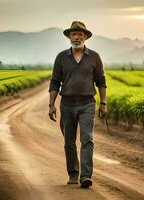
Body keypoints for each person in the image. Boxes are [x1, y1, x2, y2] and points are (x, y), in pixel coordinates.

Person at [48, 21, 107, 188]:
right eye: (73, 34)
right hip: (67, 104)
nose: (76, 37)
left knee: (87, 139)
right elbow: (55, 82)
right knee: (69, 141)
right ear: (69, 37)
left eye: (80, 34)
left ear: (86, 37)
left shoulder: (94, 57)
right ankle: (73, 174)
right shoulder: (61, 57)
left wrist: (103, 103)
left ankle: (85, 176)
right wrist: (51, 104)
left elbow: (101, 81)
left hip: (87, 103)